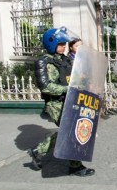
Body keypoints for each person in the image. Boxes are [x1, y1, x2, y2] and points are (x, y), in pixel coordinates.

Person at [29, 27, 95, 177]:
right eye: (60, 44)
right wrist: (68, 89)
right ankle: (74, 166)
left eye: (65, 44)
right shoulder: (44, 62)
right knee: (72, 131)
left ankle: (39, 151)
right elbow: (46, 87)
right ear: (51, 44)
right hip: (55, 103)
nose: (63, 47)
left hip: (69, 99)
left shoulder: (64, 60)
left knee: (71, 131)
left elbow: (73, 77)